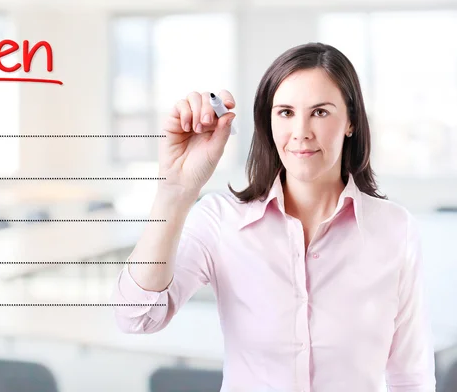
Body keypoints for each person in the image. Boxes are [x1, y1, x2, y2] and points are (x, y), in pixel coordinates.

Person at [110, 42, 436, 391]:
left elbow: (410, 376)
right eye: (285, 112)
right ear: (269, 121)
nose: (301, 132)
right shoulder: (222, 221)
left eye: (321, 112)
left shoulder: (394, 230)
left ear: (351, 121)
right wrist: (174, 193)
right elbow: (136, 317)